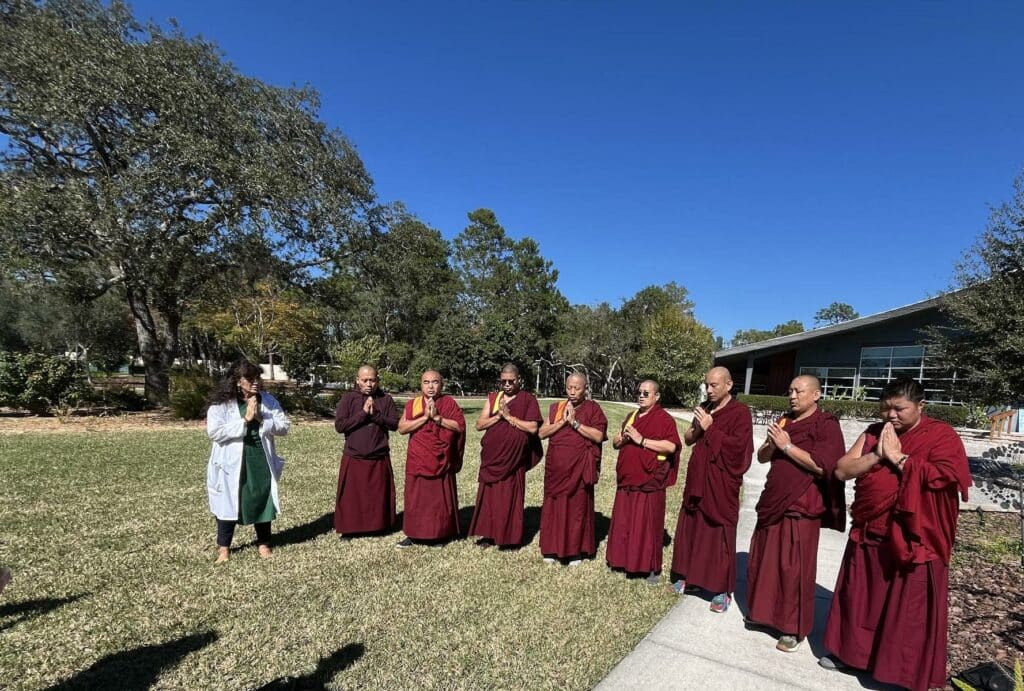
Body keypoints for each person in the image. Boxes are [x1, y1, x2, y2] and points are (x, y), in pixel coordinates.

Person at [820, 378, 970, 691]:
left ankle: (899, 672)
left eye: (899, 409)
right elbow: (842, 470)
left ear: (920, 406)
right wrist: (879, 454)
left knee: (906, 609)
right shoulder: (875, 433)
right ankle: (852, 655)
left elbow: (946, 477)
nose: (891, 415)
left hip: (915, 537)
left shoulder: (941, 435)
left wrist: (901, 458)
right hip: (871, 530)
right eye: (886, 408)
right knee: (861, 598)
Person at [745, 375, 847, 652]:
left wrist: (788, 446)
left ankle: (792, 628)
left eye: (798, 391)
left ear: (816, 394)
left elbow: (824, 466)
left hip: (801, 506)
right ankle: (763, 614)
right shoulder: (785, 421)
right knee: (764, 561)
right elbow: (762, 457)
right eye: (790, 390)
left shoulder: (826, 425)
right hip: (774, 500)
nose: (792, 396)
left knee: (794, 569)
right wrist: (772, 443)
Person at [670, 366, 753, 612]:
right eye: (707, 385)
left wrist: (711, 427)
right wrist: (698, 426)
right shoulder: (705, 408)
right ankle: (689, 576)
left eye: (714, 385)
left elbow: (739, 451)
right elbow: (688, 438)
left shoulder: (740, 413)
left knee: (718, 534)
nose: (708, 389)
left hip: (720, 484)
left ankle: (720, 590)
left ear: (728, 385)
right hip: (698, 479)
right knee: (693, 528)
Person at [205, 359, 290, 563]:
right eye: (249, 379)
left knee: (262, 499)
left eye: (257, 378)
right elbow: (215, 432)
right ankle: (224, 549)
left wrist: (261, 418)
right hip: (230, 461)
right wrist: (245, 420)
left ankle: (263, 543)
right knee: (229, 501)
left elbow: (284, 426)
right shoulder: (221, 405)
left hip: (259, 457)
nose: (255, 383)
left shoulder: (267, 400)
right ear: (237, 381)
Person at [606, 379, 681, 584]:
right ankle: (621, 560)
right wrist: (621, 439)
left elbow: (671, 446)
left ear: (656, 397)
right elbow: (615, 441)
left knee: (647, 524)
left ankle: (649, 568)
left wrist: (642, 441)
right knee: (625, 521)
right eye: (638, 392)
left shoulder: (664, 419)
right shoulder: (632, 416)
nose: (641, 396)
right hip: (628, 478)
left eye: (646, 393)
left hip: (649, 480)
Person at [469, 363, 543, 549]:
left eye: (511, 381)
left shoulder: (528, 400)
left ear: (519, 380)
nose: (508, 384)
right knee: (489, 499)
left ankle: (509, 537)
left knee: (510, 497)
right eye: (504, 381)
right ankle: (488, 534)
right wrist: (498, 417)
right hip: (492, 457)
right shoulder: (494, 398)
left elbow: (533, 428)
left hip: (514, 459)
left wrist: (509, 417)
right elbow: (479, 425)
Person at [538, 372, 608, 565]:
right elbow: (542, 433)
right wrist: (562, 422)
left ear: (585, 388)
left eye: (577, 388)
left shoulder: (593, 409)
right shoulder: (557, 408)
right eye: (569, 387)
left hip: (579, 468)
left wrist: (575, 423)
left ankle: (575, 551)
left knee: (577, 508)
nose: (572, 391)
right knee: (554, 506)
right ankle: (551, 549)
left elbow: (598, 436)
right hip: (557, 468)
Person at [397, 370, 466, 547]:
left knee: (438, 499)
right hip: (418, 458)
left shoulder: (448, 403)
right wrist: (425, 418)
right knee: (415, 498)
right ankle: (413, 533)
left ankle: (440, 534)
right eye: (426, 382)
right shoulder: (414, 404)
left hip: (441, 459)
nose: (430, 386)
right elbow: (402, 428)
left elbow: (459, 426)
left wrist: (437, 418)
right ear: (421, 384)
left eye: (435, 382)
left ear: (441, 385)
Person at [334, 365, 400, 537]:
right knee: (352, 496)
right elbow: (340, 426)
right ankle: (350, 528)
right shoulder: (348, 399)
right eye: (365, 380)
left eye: (372, 380)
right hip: (354, 455)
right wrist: (363, 413)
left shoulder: (385, 399)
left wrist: (376, 415)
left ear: (377, 380)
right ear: (357, 380)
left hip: (378, 454)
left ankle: (379, 526)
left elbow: (395, 424)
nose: (369, 384)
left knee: (377, 495)